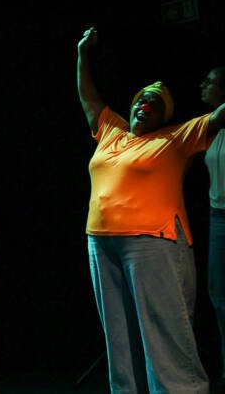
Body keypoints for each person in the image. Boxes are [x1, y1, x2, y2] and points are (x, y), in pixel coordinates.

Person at [77, 27, 225, 394]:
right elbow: (89, 100)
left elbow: (220, 114)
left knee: (164, 328)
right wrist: (82, 54)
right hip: (101, 243)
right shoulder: (113, 130)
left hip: (152, 242)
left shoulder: (177, 137)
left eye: (153, 105)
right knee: (119, 331)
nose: (144, 106)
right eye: (141, 100)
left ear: (164, 116)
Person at [202, 66, 225, 392]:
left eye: (211, 82)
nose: (203, 85)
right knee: (219, 297)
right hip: (217, 218)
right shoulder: (213, 130)